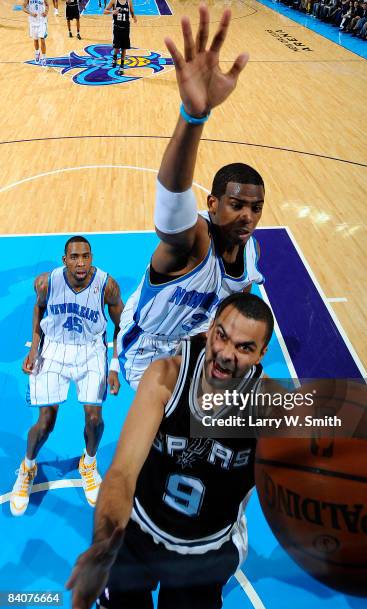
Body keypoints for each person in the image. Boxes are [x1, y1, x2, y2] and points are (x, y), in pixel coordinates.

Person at [67, 292, 274, 609]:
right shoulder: (166, 377)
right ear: (210, 329)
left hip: (208, 547)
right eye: (221, 336)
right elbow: (122, 473)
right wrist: (103, 547)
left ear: (261, 353)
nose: (226, 354)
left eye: (244, 347)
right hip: (142, 528)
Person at [117, 3, 265, 391]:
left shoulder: (251, 254)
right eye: (236, 205)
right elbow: (172, 196)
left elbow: (238, 297)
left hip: (195, 342)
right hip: (147, 347)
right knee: (168, 427)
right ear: (213, 204)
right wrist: (193, 116)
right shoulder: (193, 241)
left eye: (255, 208)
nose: (247, 216)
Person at [10, 236, 124, 516]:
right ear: (65, 260)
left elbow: (122, 326)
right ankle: (27, 467)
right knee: (46, 422)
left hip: (90, 351)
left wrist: (114, 365)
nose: (81, 263)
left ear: (92, 257)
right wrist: (35, 348)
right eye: (74, 257)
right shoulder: (47, 283)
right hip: (55, 349)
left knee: (95, 419)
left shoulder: (107, 286)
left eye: (86, 256)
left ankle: (89, 462)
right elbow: (38, 308)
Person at [104, 0, 137, 76]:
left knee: (124, 48)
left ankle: (122, 66)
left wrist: (134, 17)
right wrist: (112, 12)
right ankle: (114, 58)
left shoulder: (129, 2)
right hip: (117, 28)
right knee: (117, 47)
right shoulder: (114, 1)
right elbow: (104, 11)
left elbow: (132, 12)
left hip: (126, 28)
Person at [23, 0, 49, 66]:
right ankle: (37, 53)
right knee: (35, 39)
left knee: (42, 39)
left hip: (42, 21)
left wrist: (46, 12)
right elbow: (23, 8)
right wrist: (31, 13)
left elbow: (47, 5)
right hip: (33, 21)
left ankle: (44, 58)